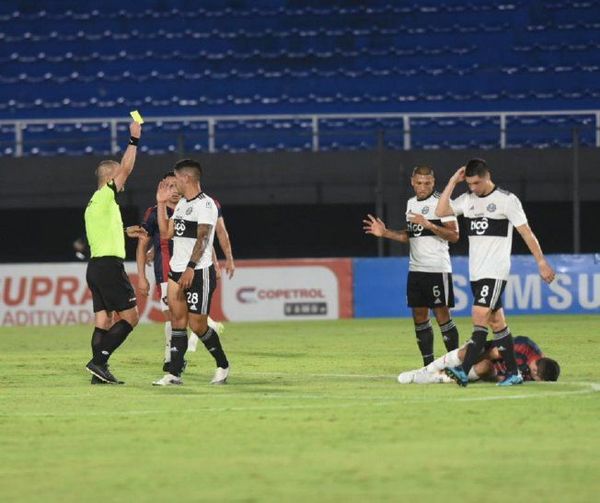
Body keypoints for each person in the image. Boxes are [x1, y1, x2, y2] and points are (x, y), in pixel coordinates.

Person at [435, 158, 556, 387]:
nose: (473, 188)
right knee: (497, 323)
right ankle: (513, 373)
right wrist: (453, 181)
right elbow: (441, 210)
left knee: (479, 315)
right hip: (476, 273)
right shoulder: (468, 200)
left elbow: (527, 233)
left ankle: (463, 370)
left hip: (495, 271)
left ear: (487, 176)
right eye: (469, 183)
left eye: (476, 183)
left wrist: (541, 262)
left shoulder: (507, 201)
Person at [363, 165, 461, 366]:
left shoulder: (442, 203)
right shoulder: (410, 204)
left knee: (442, 314)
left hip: (437, 268)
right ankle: (428, 365)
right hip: (416, 270)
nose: (423, 187)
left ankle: (458, 365)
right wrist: (386, 233)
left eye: (427, 183)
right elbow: (412, 235)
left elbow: (454, 235)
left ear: (433, 182)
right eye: (419, 183)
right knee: (419, 315)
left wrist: (431, 225)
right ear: (412, 182)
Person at [136, 172, 234, 367]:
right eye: (169, 186)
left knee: (177, 317)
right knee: (171, 315)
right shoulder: (155, 212)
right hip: (165, 269)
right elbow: (144, 242)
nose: (173, 191)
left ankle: (174, 359)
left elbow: (206, 239)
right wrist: (142, 275)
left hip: (192, 268)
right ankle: (173, 359)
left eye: (176, 185)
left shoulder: (194, 207)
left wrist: (216, 262)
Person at [84, 121, 147, 384]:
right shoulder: (105, 196)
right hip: (109, 268)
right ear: (110, 178)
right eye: (117, 176)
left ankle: (99, 374)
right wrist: (134, 140)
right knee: (130, 318)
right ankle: (98, 362)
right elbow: (128, 167)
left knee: (103, 320)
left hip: (96, 267)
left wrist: (124, 231)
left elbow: (101, 234)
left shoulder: (94, 204)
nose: (123, 180)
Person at [398, 335, 561, 384]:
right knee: (465, 354)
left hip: (492, 370)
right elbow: (492, 353)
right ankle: (424, 372)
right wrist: (469, 362)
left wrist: (496, 378)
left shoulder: (537, 366)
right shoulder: (522, 347)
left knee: (485, 367)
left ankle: (434, 379)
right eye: (536, 377)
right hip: (485, 351)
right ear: (535, 369)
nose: (533, 379)